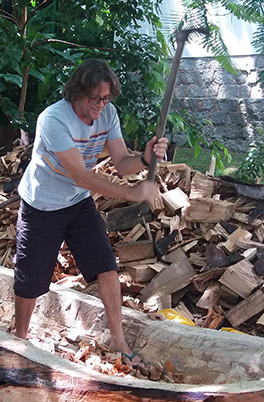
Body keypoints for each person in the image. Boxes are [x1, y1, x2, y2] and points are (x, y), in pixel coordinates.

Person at [14, 58, 168, 359]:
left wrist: (146, 159)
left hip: (77, 202)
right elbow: (81, 175)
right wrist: (132, 194)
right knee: (31, 278)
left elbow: (122, 162)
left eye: (105, 98)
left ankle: (118, 340)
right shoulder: (53, 120)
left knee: (106, 265)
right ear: (76, 92)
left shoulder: (108, 113)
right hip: (42, 204)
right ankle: (20, 339)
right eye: (94, 98)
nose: (100, 105)